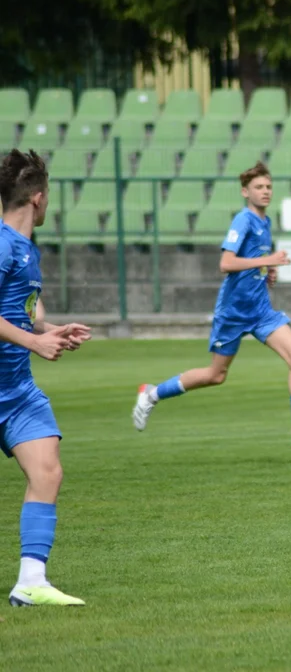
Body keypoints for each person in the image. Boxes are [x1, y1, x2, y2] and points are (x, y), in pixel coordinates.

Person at [132, 161, 291, 453]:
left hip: (261, 310)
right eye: (258, 187)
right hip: (234, 312)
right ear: (245, 192)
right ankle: (152, 394)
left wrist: (267, 272)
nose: (265, 192)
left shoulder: (265, 222)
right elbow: (226, 264)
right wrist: (266, 262)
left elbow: (253, 262)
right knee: (215, 375)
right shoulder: (243, 220)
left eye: (268, 187)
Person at [0, 149, 93, 605]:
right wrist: (34, 342)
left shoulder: (26, 250)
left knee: (48, 471)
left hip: (15, 390)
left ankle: (30, 583)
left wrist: (50, 330)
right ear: (38, 198)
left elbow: (21, 314)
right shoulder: (0, 244)